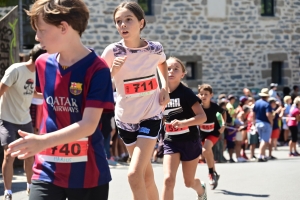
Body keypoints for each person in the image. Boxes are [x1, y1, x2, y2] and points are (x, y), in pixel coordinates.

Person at [7, 1, 114, 200]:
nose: (37, 37)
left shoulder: (98, 69)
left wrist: (41, 141)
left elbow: (89, 125)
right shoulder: (42, 62)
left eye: (41, 30)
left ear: (63, 27)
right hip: (46, 168)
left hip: (87, 173)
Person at [101, 2, 170, 200]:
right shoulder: (112, 51)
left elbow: (162, 63)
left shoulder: (154, 49)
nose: (123, 25)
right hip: (125, 120)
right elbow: (98, 84)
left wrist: (164, 87)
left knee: (133, 174)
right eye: (118, 21)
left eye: (128, 20)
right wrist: (112, 71)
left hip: (151, 116)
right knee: (145, 176)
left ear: (141, 23)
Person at [0, 44, 45, 200]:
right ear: (39, 59)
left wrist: (49, 96)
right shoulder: (16, 70)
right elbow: (0, 90)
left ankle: (30, 186)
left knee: (30, 154)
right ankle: (8, 191)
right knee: (9, 155)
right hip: (7, 119)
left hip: (25, 120)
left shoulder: (35, 73)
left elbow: (31, 93)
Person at [162, 57, 207, 200]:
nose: (171, 71)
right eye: (168, 68)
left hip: (190, 141)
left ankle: (201, 189)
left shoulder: (186, 93)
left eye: (176, 69)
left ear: (182, 74)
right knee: (168, 180)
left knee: (188, 182)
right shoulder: (159, 93)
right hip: (170, 141)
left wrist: (183, 123)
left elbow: (202, 117)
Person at [198, 84, 226, 190]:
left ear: (211, 95)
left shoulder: (215, 107)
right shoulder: (197, 106)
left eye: (206, 94)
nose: (204, 96)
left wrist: (223, 125)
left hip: (214, 131)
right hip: (201, 133)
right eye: (201, 94)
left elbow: (223, 113)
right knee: (207, 152)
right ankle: (214, 173)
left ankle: (210, 174)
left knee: (206, 150)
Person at [253, 88, 273, 162]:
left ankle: (263, 155)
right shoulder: (267, 104)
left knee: (261, 139)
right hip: (265, 123)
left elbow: (254, 113)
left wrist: (254, 122)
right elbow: (268, 114)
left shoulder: (257, 103)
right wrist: (271, 122)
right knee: (265, 140)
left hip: (258, 122)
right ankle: (260, 155)